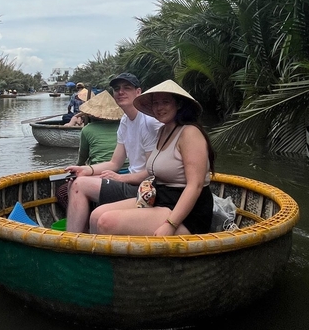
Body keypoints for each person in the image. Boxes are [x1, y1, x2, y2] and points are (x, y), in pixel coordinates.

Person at [88, 79, 214, 237]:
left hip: (188, 211)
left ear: (179, 104)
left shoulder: (190, 133)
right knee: (96, 215)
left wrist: (170, 224)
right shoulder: (163, 131)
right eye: (156, 103)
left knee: (106, 222)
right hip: (160, 197)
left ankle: (112, 261)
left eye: (165, 102)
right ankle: (96, 260)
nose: (159, 108)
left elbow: (195, 185)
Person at [65, 73, 161, 232]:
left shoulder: (148, 122)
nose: (120, 92)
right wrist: (86, 169)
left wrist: (120, 178)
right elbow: (115, 163)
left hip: (146, 187)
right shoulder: (125, 121)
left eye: (127, 88)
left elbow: (152, 173)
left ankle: (71, 241)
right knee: (76, 179)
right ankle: (80, 232)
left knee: (79, 185)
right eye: (117, 89)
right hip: (132, 181)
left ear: (138, 92)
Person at [75, 90, 123, 165]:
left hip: (99, 168)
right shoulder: (123, 125)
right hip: (127, 167)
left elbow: (83, 157)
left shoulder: (87, 129)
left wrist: (77, 167)